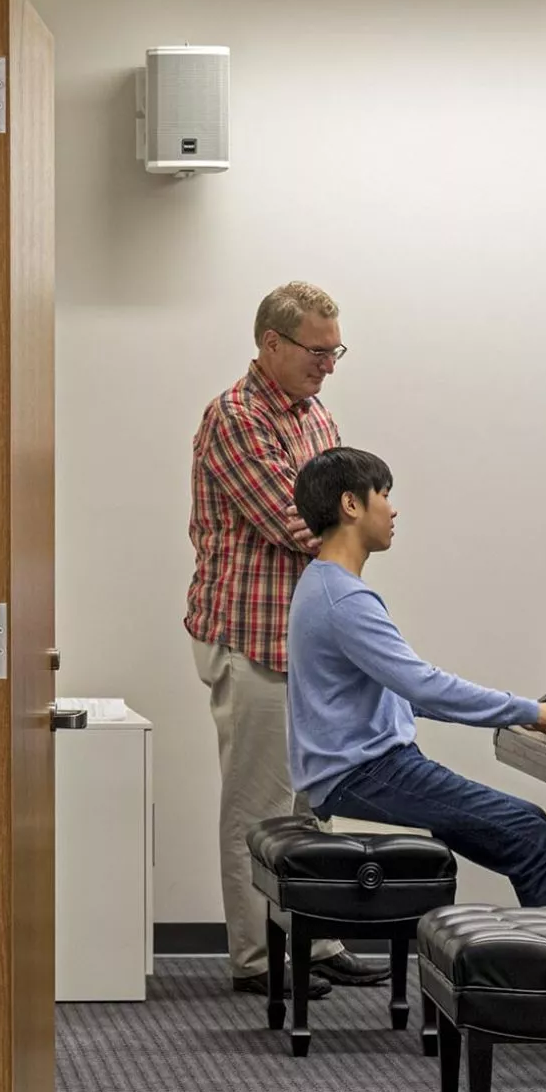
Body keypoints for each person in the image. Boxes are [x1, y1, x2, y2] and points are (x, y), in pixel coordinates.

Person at [186, 281, 380, 997]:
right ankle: (259, 960)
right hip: (253, 640)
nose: (329, 364)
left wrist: (349, 525)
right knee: (258, 808)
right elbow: (299, 525)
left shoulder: (314, 416)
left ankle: (315, 939)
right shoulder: (236, 418)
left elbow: (339, 517)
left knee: (311, 805)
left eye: (336, 351)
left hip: (305, 648)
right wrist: (356, 526)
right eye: (317, 350)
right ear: (271, 343)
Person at [286, 446, 546, 906]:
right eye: (384, 493)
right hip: (364, 776)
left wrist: (518, 713)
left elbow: (404, 693)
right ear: (351, 504)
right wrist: (528, 710)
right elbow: (424, 686)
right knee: (528, 830)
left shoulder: (321, 584)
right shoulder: (344, 600)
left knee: (526, 828)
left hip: (363, 772)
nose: (393, 507)